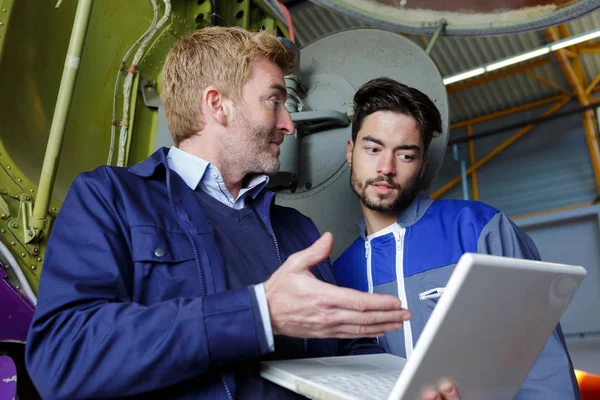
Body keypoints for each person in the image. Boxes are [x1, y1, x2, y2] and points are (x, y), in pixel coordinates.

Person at [24, 28, 413, 399]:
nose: (289, 125)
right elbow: (63, 354)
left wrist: (405, 388)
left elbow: (348, 345)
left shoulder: (298, 231)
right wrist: (259, 313)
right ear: (217, 105)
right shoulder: (111, 198)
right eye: (274, 101)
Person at [332, 77, 581, 399]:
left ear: (421, 164)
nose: (386, 167)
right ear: (351, 152)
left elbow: (542, 363)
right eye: (373, 148)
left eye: (405, 155)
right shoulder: (339, 273)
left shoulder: (478, 228)